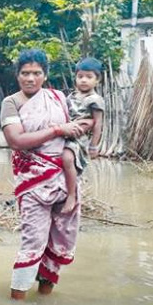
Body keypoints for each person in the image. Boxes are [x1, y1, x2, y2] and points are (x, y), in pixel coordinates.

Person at [0, 49, 93, 300]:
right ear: (17, 75)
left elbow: (83, 120)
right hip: (33, 182)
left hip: (65, 179)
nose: (31, 78)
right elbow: (16, 140)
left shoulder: (57, 97)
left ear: (45, 76)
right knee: (33, 242)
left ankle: (44, 301)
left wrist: (81, 128)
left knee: (60, 240)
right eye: (25, 73)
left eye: (36, 73)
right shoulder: (11, 103)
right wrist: (56, 130)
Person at [60, 57, 105, 214]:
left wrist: (94, 145)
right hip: (63, 134)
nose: (84, 80)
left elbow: (98, 123)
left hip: (79, 139)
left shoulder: (95, 100)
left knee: (67, 158)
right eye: (80, 77)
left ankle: (71, 196)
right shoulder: (70, 97)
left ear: (97, 80)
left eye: (89, 77)